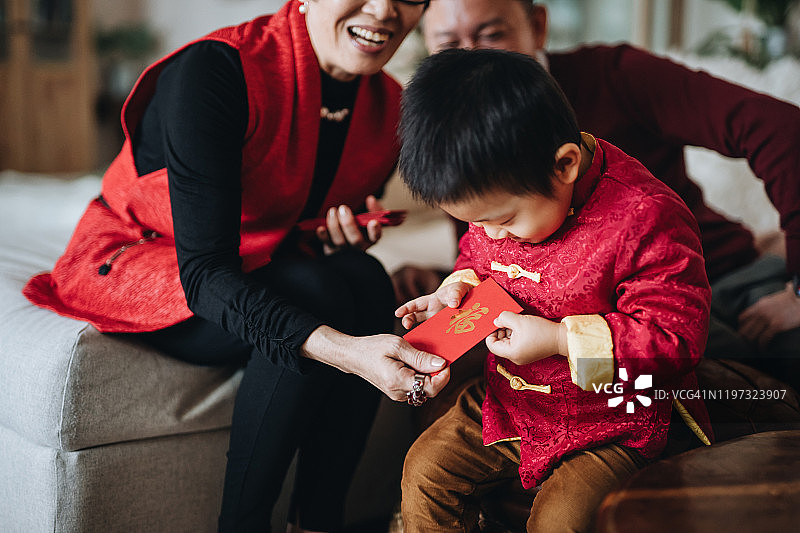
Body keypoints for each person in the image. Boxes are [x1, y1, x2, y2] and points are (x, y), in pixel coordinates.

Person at [23, 1, 449, 531]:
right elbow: (206, 275)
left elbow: (292, 216)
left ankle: (319, 522)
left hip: (259, 256)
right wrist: (346, 351)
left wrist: (332, 239)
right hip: (147, 256)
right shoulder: (218, 69)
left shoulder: (387, 107)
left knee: (364, 278)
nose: (384, 9)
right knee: (314, 294)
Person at [393, 0, 800, 388]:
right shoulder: (447, 133)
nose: (472, 60)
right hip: (596, 326)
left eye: (491, 35)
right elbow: (499, 253)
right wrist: (450, 284)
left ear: (538, 26)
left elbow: (782, 129)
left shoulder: (616, 77)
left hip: (720, 277)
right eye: (449, 45)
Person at [395, 48, 713, 533]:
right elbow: (475, 258)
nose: (491, 234)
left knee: (561, 520)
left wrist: (562, 340)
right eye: (476, 222)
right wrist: (453, 293)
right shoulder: (502, 195)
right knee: (424, 473)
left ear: (564, 165)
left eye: (503, 220)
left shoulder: (645, 216)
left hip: (613, 420)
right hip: (510, 403)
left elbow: (675, 337)